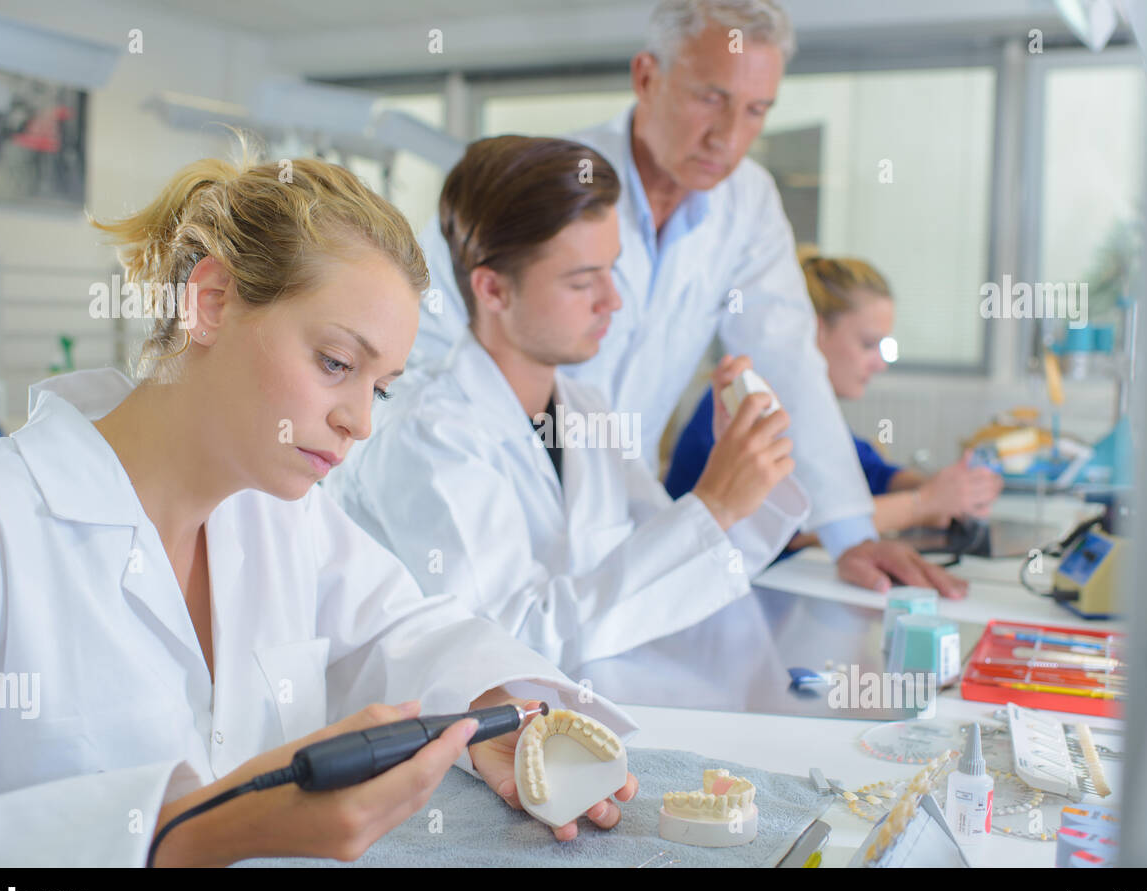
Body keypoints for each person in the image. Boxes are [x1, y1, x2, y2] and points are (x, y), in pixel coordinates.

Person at [0, 147, 638, 866]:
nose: (359, 422)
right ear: (210, 302)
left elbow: (404, 635)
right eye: (336, 363)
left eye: (381, 386)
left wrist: (494, 723)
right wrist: (204, 833)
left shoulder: (280, 514)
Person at [409, 0, 965, 598]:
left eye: (756, 111)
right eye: (711, 98)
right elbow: (420, 352)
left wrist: (850, 532)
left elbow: (789, 360)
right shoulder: (544, 189)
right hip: (488, 493)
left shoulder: (746, 202)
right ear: (647, 77)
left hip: (617, 498)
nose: (729, 136)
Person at [326, 136, 809, 671]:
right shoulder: (426, 432)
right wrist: (713, 506)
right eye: (583, 281)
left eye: (612, 269)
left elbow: (677, 570)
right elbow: (508, 641)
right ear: (493, 290)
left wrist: (738, 474)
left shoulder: (585, 410)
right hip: (459, 738)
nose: (613, 301)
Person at [666, 251, 1005, 548]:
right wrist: (923, 502)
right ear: (812, 332)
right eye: (868, 344)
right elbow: (784, 527)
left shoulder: (811, 411)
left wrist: (949, 487)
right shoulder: (743, 405)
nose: (880, 365)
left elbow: (862, 470)